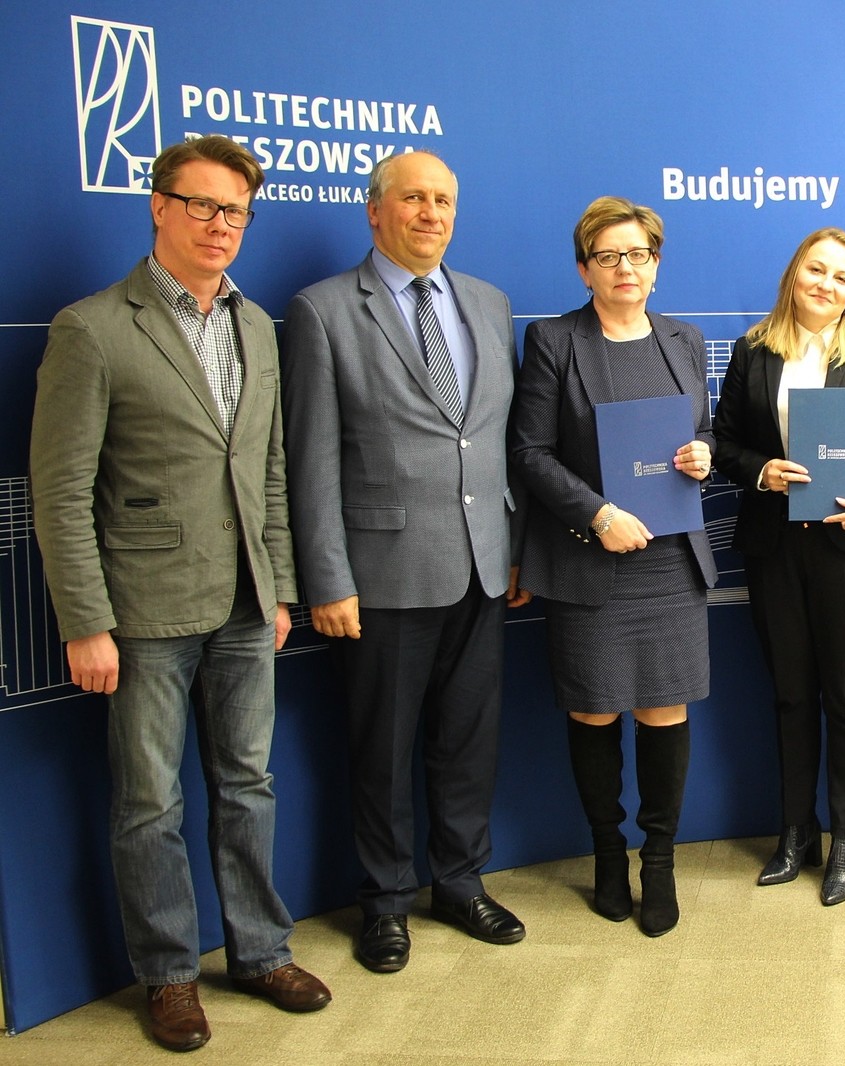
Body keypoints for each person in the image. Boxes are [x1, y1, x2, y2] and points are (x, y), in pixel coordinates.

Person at [30, 135, 330, 1052]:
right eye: (201, 205)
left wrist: (279, 587)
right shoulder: (92, 328)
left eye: (234, 210)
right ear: (159, 207)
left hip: (246, 604)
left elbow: (270, 469)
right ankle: (167, 975)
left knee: (249, 786)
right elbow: (61, 490)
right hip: (143, 611)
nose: (218, 224)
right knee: (150, 803)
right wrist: (86, 621)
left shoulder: (256, 325)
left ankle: (260, 952)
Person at [281, 150, 528, 974]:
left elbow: (495, 441)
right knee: (382, 753)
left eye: (444, 200)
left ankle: (460, 883)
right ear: (375, 211)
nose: (431, 214)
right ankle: (384, 904)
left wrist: (515, 548)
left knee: (469, 742)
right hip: (380, 575)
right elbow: (311, 459)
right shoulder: (322, 310)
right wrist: (327, 577)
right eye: (414, 198)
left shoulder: (488, 302)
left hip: (483, 565)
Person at [512, 196, 715, 937]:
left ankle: (658, 861)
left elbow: (702, 432)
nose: (625, 268)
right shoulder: (554, 340)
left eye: (638, 254)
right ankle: (607, 853)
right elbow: (530, 451)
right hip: (589, 561)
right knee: (594, 709)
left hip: (670, 564)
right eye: (608, 256)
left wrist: (704, 454)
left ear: (655, 265)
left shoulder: (685, 339)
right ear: (584, 268)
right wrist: (597, 514)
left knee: (665, 709)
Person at [712, 229, 845, 906]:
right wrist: (761, 470)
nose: (826, 285)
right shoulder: (753, 349)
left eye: (841, 277)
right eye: (816, 270)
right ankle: (795, 832)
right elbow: (724, 443)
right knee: (791, 695)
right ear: (794, 275)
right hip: (776, 546)